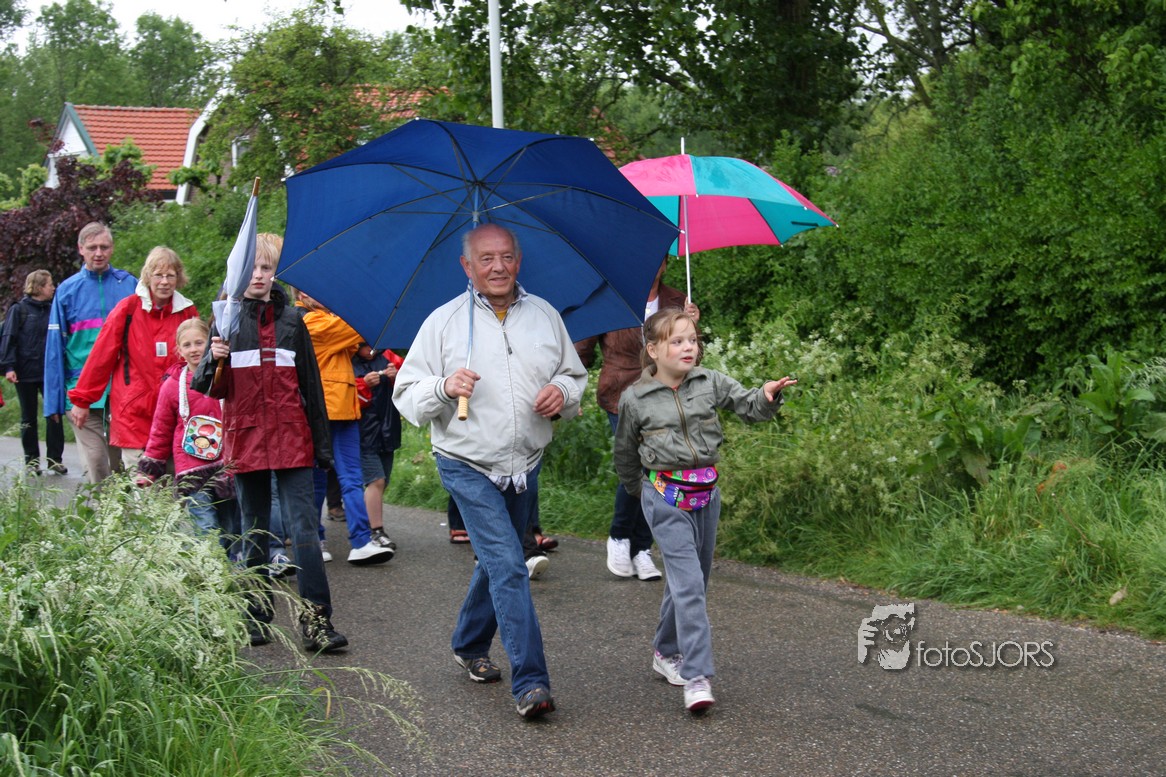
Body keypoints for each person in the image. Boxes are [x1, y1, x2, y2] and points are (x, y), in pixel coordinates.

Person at [393, 223, 587, 720]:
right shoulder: (443, 322)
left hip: (525, 463)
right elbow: (406, 395)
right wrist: (443, 386)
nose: (498, 267)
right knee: (509, 565)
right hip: (466, 463)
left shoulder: (544, 315)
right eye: (486, 259)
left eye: (506, 257)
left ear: (518, 261)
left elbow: (574, 376)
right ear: (467, 266)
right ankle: (531, 682)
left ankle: (468, 642)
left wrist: (562, 393)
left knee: (497, 561)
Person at [613, 308, 796, 713]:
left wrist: (767, 395)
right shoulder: (635, 399)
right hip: (664, 497)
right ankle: (696, 676)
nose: (688, 348)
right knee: (689, 585)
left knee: (692, 580)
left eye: (692, 340)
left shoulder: (709, 381)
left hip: (706, 495)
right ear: (653, 350)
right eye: (677, 341)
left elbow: (748, 406)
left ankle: (665, 651)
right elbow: (624, 454)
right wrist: (642, 494)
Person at [192, 233, 346, 653]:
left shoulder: (293, 321)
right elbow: (204, 385)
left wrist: (322, 448)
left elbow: (311, 388)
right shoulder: (225, 321)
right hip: (246, 440)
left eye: (266, 268)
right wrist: (214, 357)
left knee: (304, 530)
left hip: (293, 438)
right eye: (251, 268)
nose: (258, 275)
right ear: (237, 274)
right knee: (254, 530)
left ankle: (317, 622)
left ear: (276, 273)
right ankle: (255, 617)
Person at [575, 257, 700, 581]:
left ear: (665, 264)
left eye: (659, 258)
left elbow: (692, 358)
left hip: (665, 395)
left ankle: (642, 548)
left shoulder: (677, 301)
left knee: (658, 468)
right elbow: (582, 349)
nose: (652, 263)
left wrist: (692, 328)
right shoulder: (611, 297)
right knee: (637, 464)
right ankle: (619, 537)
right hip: (621, 395)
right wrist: (570, 391)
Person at [67, 246, 199, 470]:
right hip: (133, 412)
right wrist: (82, 400)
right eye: (158, 275)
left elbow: (197, 362)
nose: (164, 282)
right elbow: (101, 357)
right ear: (148, 276)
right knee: (142, 482)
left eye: (170, 275)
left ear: (178, 277)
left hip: (175, 412)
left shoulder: (187, 312)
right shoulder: (128, 309)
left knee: (175, 483)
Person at [299, 292, 394, 565]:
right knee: (317, 480)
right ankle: (315, 540)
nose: (320, 294)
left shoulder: (327, 319)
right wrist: (362, 300)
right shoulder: (309, 321)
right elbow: (359, 328)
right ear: (301, 292)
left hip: (345, 409)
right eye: (313, 289)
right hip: (321, 411)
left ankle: (362, 541)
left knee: (351, 478)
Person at [44, 222, 137, 482]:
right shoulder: (67, 291)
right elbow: (54, 350)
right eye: (92, 247)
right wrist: (53, 400)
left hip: (122, 390)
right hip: (80, 391)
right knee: (97, 462)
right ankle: (103, 507)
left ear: (112, 249)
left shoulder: (129, 285)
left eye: (104, 247)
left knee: (120, 465)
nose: (98, 253)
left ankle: (117, 509)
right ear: (81, 249)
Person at [136, 318, 239, 550]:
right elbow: (160, 429)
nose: (194, 349)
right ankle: (212, 568)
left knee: (230, 527)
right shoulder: (172, 386)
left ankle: (232, 568)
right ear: (179, 351)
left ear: (210, 343)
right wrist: (149, 470)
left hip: (227, 466)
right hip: (191, 469)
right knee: (205, 527)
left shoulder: (226, 376)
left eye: (199, 343)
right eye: (187, 345)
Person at [1, 270, 65, 474]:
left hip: (49, 372)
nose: (53, 288)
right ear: (38, 287)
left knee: (54, 414)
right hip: (25, 371)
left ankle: (55, 460)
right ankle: (32, 462)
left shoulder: (53, 309)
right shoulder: (19, 310)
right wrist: (9, 367)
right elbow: (9, 338)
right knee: (28, 418)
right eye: (50, 284)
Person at [353, 344, 404, 550]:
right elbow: (340, 395)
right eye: (365, 346)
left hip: (388, 429)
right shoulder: (347, 361)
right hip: (362, 432)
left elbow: (411, 383)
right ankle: (376, 531)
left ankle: (367, 524)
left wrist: (396, 377)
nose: (370, 350)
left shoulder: (389, 356)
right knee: (376, 480)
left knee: (383, 481)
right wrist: (363, 384)